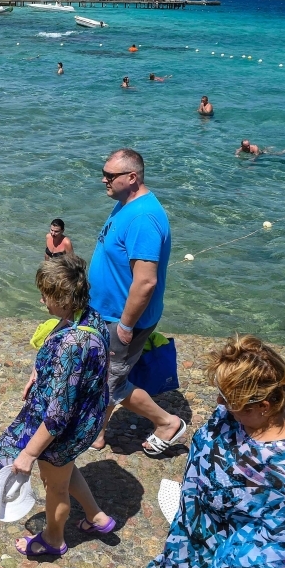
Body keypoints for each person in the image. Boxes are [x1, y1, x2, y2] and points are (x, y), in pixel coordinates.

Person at [149, 335, 285, 568]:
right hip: (202, 526)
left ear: (263, 406)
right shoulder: (262, 406)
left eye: (225, 398)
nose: (218, 401)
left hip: (227, 547)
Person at [0, 255, 116, 558]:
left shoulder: (72, 343)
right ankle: (97, 517)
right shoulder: (91, 317)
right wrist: (38, 372)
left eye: (46, 294)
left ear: (63, 298)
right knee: (63, 470)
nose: (41, 300)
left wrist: (29, 453)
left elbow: (58, 417)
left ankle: (53, 539)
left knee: (55, 485)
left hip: (66, 428)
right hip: (88, 414)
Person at [89, 148, 186, 454]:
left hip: (122, 318)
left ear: (132, 177)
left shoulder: (143, 217)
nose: (103, 180)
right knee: (106, 376)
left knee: (112, 384)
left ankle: (168, 423)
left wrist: (126, 325)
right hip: (109, 313)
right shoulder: (125, 204)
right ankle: (97, 434)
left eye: (110, 176)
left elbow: (146, 281)